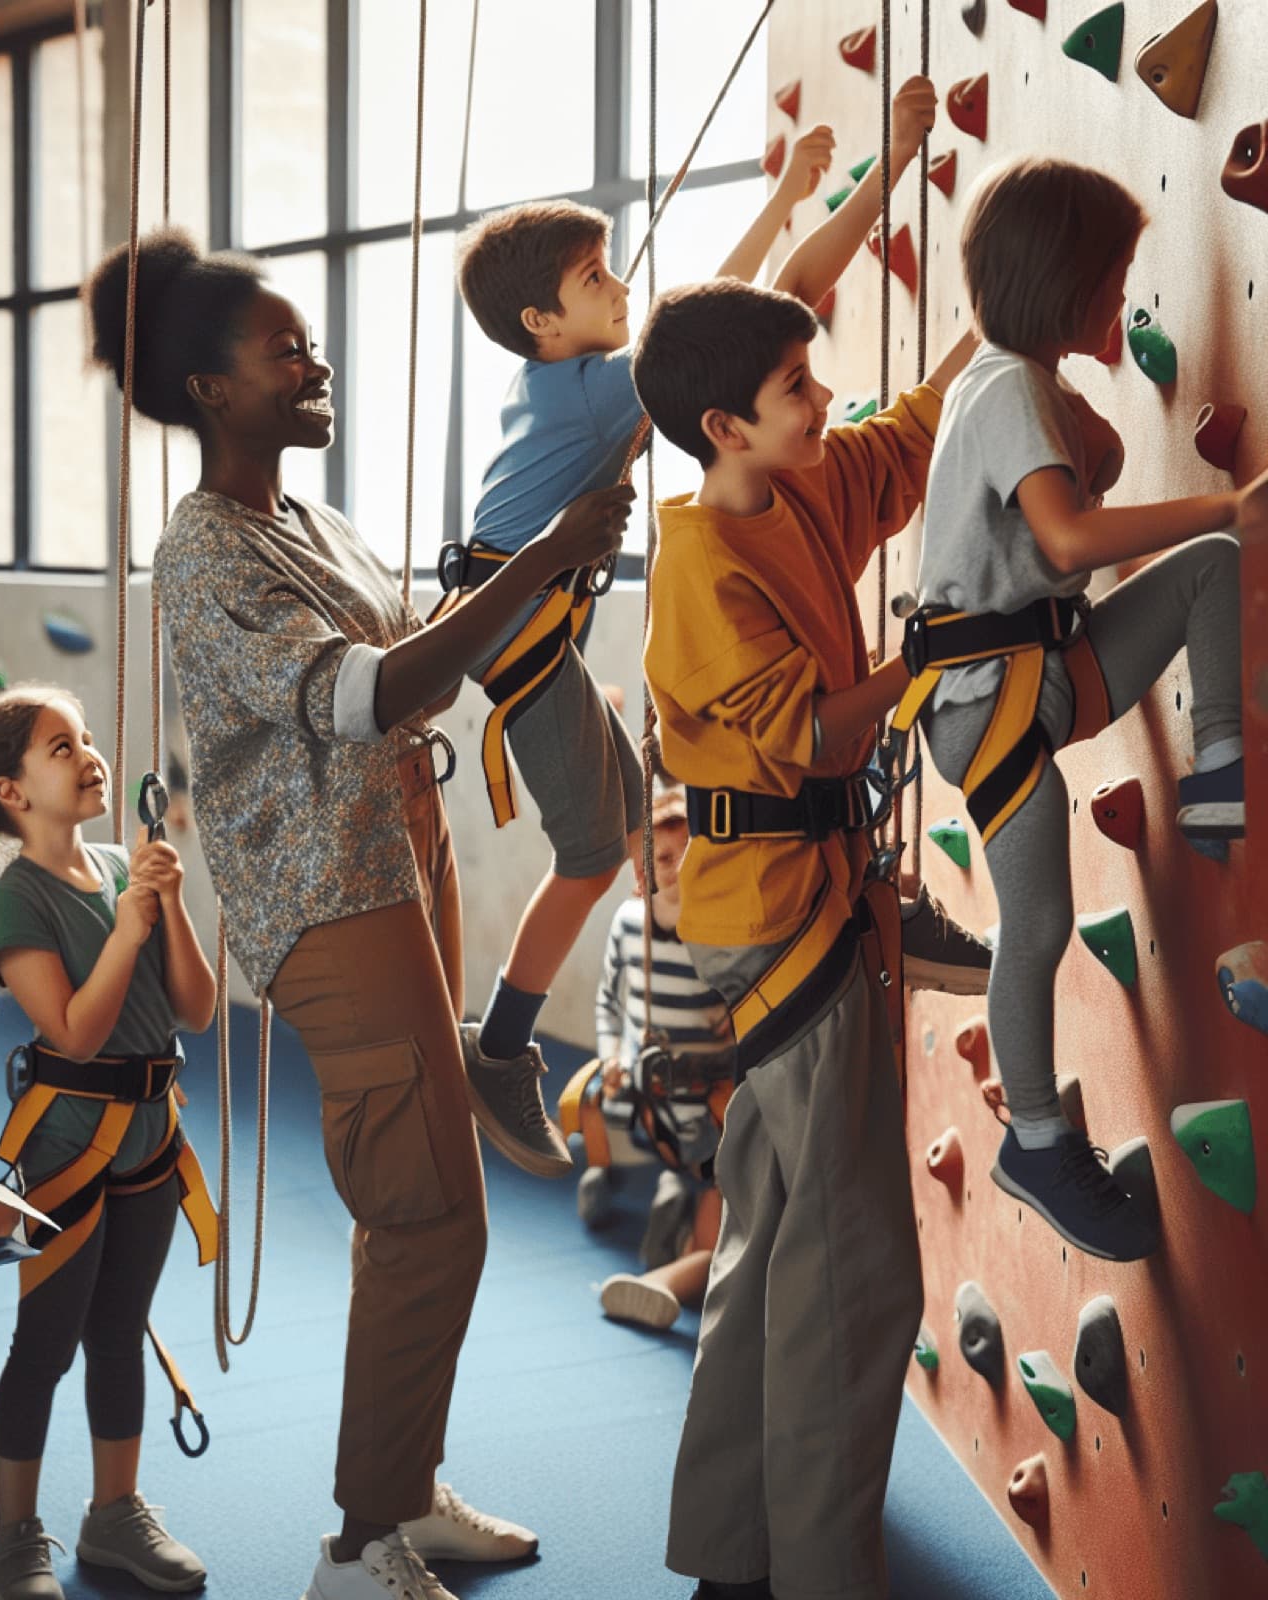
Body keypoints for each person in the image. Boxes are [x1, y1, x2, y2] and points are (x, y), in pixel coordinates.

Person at [86, 227, 630, 1600]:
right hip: (331, 902)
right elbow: (365, 694)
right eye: (286, 351)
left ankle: (401, 1488)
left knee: (428, 1211)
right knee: (429, 1213)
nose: (314, 365)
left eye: (312, 344)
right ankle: (355, 1546)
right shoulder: (204, 551)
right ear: (209, 388)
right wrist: (544, 554)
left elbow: (423, 675)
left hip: (400, 857)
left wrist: (550, 537)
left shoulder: (315, 526)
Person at [450, 82, 956, 1164]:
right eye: (595, 279)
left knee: (644, 821)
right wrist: (808, 190)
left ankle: (847, 898)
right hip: (519, 633)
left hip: (530, 626)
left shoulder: (559, 384)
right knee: (593, 853)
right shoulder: (592, 388)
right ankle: (497, 1046)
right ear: (544, 323)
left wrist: (803, 191)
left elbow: (741, 307)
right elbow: (729, 312)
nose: (620, 285)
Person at [635, 272, 979, 1600]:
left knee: (777, 1231)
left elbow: (908, 430)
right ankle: (822, 1572)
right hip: (779, 916)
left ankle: (734, 1557)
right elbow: (826, 734)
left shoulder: (803, 484)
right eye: (796, 387)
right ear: (726, 426)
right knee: (853, 1266)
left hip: (804, 895)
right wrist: (932, 658)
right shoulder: (699, 567)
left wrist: (994, 331)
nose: (824, 397)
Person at [906, 155, 1264, 1261]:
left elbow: (1062, 511)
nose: (1119, 302)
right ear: (1059, 281)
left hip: (1041, 668)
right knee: (1040, 926)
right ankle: (1037, 1140)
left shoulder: (1013, 384)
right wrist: (1226, 504)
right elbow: (1065, 542)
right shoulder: (1008, 386)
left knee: (1205, 573)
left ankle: (1215, 775)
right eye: (1109, 283)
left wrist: (1092, 439)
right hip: (992, 704)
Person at [0, 685, 217, 1600]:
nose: (90, 755)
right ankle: (15, 1538)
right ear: (12, 792)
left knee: (118, 1333)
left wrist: (168, 901)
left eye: (88, 739)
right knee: (47, 1343)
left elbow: (196, 1009)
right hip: (69, 1148)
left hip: (151, 1138)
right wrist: (131, 925)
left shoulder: (119, 866)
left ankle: (114, 1511)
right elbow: (73, 1034)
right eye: (61, 748)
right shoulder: (13, 904)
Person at [587, 784, 730, 1331]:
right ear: (643, 872)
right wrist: (610, 1055)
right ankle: (663, 1197)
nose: (677, 870)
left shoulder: (719, 933)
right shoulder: (628, 924)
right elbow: (607, 1000)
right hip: (647, 1094)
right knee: (710, 1191)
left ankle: (672, 1259)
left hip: (708, 1100)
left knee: (716, 1229)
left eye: (688, 854)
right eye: (664, 859)